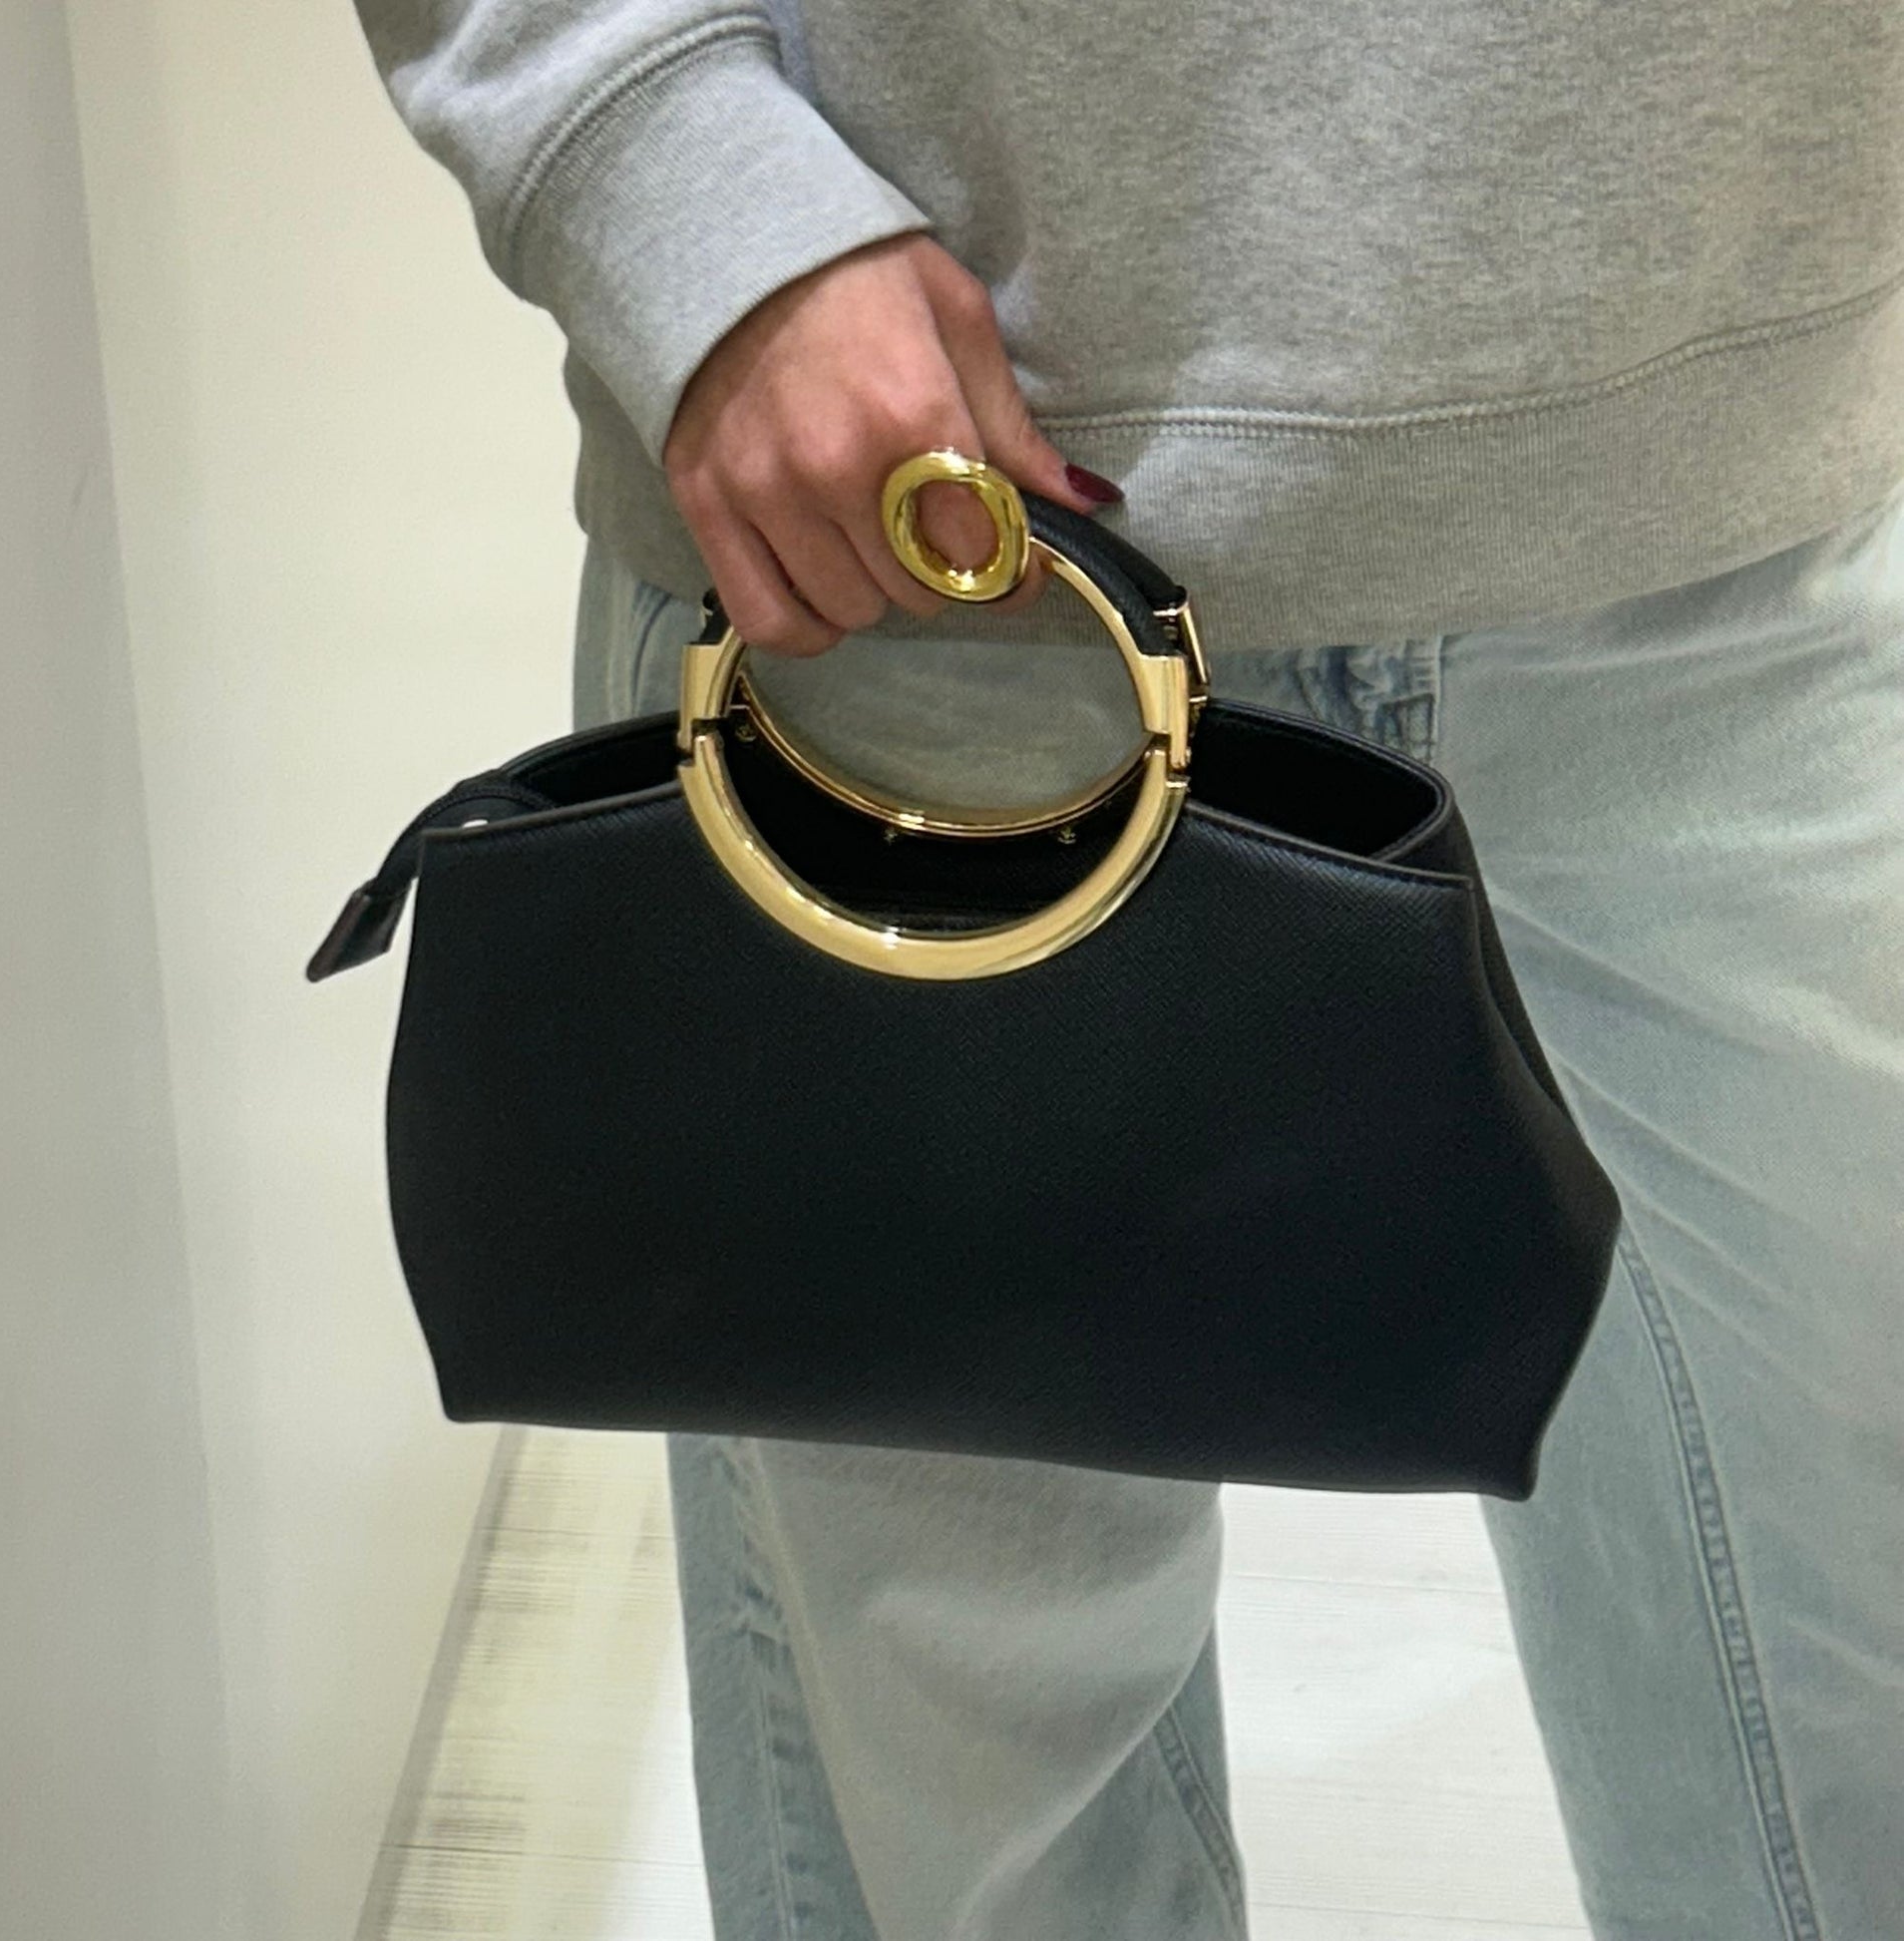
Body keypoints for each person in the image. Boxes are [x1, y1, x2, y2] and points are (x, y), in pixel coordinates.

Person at [349, 2, 1904, 1935]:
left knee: (1853, 1720)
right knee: (974, 1837)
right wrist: (670, 172)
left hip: (1723, 498)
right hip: (885, 546)